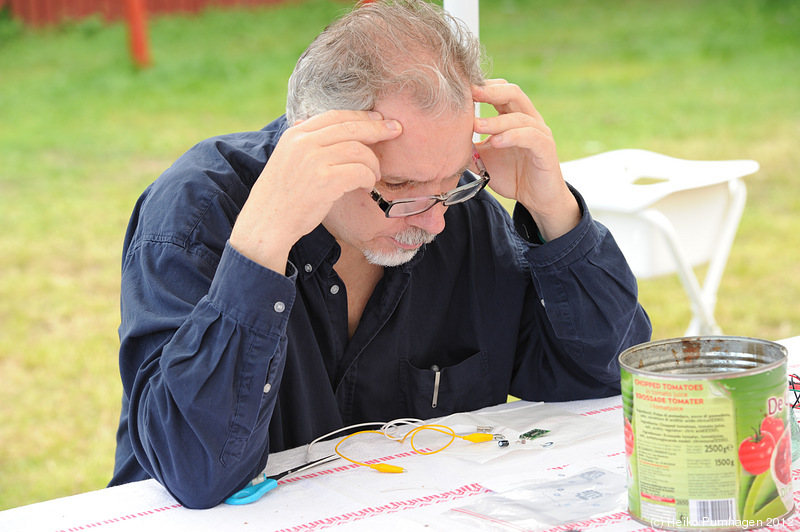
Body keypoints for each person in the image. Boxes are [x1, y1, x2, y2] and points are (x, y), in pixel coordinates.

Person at [109, 0, 651, 509]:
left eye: (454, 180)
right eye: (401, 188)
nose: (435, 219)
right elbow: (196, 470)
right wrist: (261, 248)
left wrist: (552, 207)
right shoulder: (197, 215)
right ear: (316, 142)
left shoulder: (458, 211)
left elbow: (602, 382)